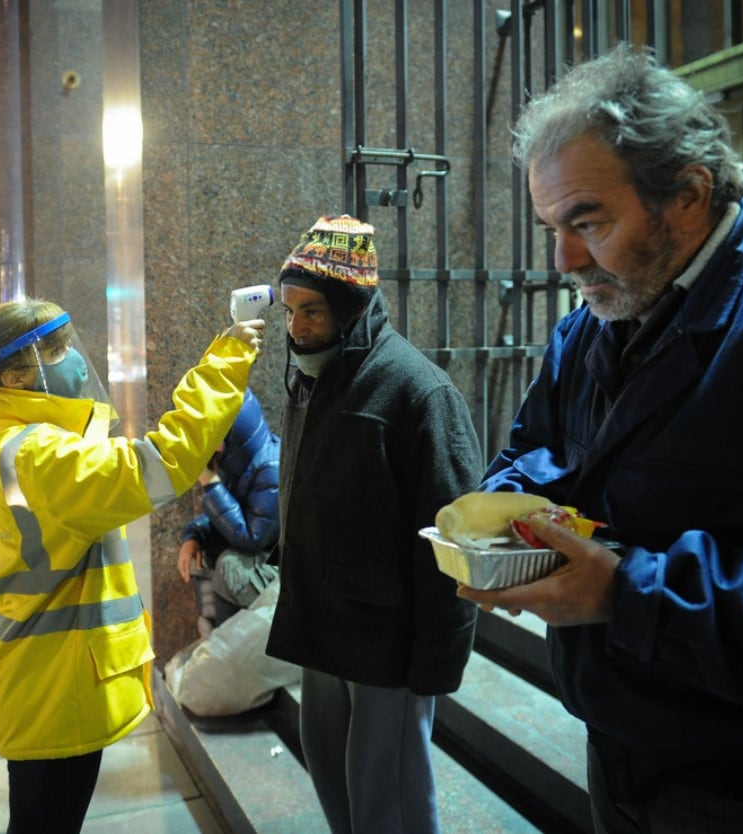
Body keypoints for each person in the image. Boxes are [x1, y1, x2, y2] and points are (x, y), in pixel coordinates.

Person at [458, 45, 743, 834]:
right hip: (616, 739)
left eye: (585, 222)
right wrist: (499, 523)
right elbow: (537, 457)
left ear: (688, 196)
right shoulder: (588, 331)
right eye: (550, 227)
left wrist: (624, 592)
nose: (562, 259)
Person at [0, 297, 263, 834]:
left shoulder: (24, 447)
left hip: (40, 685)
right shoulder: (36, 458)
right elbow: (161, 465)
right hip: (51, 690)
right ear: (21, 378)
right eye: (60, 349)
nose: (75, 360)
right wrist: (227, 360)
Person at [264, 214, 485, 833]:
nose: (296, 326)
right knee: (339, 790)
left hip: (385, 646)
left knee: (390, 803)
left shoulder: (417, 392)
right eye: (288, 310)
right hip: (322, 632)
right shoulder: (313, 377)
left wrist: (438, 660)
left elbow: (452, 534)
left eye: (313, 310)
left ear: (352, 306)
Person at [177, 387, 281, 632]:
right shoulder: (242, 461)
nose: (215, 448)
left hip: (280, 573)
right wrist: (194, 534)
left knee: (229, 566)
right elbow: (230, 516)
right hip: (263, 559)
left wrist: (211, 484)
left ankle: (224, 644)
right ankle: (220, 638)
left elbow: (253, 537)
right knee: (210, 553)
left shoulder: (270, 466)